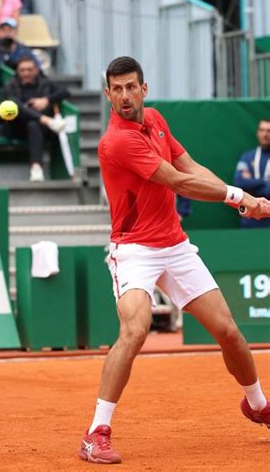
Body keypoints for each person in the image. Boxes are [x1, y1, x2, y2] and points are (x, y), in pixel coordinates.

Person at [80, 56, 270, 465]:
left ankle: (258, 405)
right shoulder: (117, 140)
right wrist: (241, 198)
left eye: (132, 87)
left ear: (144, 89)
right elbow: (179, 181)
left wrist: (239, 201)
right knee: (135, 330)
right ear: (108, 94)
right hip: (135, 250)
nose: (125, 96)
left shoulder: (157, 120)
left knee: (230, 333)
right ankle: (97, 431)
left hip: (175, 246)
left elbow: (189, 165)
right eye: (117, 89)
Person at [0, 55, 69, 182]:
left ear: (36, 70)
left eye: (29, 69)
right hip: (16, 128)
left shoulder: (45, 83)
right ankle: (46, 120)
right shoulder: (10, 86)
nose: (26, 73)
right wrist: (43, 118)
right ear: (17, 71)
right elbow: (12, 108)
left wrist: (46, 100)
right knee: (15, 106)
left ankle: (36, 167)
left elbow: (65, 92)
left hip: (40, 130)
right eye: (22, 70)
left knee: (33, 125)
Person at [233, 119, 270, 228]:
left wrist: (252, 183)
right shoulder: (247, 157)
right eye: (262, 130)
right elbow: (239, 182)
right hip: (250, 219)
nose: (265, 134)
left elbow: (246, 184)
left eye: (268, 131)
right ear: (258, 133)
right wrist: (265, 183)